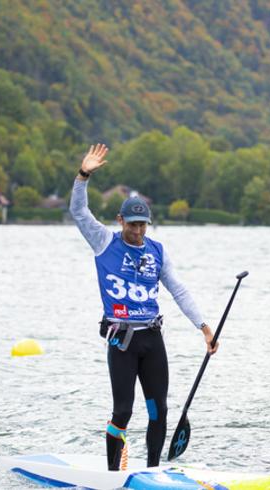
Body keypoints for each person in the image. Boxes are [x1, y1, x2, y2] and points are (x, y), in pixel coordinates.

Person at [69, 143, 218, 470]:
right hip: (122, 341)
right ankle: (112, 476)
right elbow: (79, 212)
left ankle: (152, 472)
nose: (137, 231)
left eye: (142, 225)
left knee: (158, 410)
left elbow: (178, 290)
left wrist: (204, 328)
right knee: (123, 411)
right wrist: (83, 176)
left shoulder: (157, 251)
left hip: (151, 340)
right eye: (132, 224)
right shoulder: (103, 241)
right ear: (120, 220)